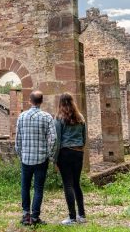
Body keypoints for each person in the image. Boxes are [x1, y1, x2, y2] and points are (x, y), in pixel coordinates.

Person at [15, 90, 56, 226]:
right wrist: (49, 154)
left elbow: (18, 140)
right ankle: (35, 217)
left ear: (30, 101)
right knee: (38, 188)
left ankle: (26, 216)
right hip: (41, 159)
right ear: (41, 102)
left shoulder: (21, 117)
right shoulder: (47, 117)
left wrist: (21, 154)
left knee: (25, 187)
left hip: (26, 159)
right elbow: (53, 139)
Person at [53, 92, 87, 225]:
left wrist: (55, 159)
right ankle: (82, 215)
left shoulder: (59, 118)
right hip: (78, 152)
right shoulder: (80, 117)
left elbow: (57, 140)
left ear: (60, 103)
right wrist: (80, 149)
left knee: (68, 184)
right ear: (73, 102)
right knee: (76, 184)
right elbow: (84, 138)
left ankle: (72, 217)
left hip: (65, 153)